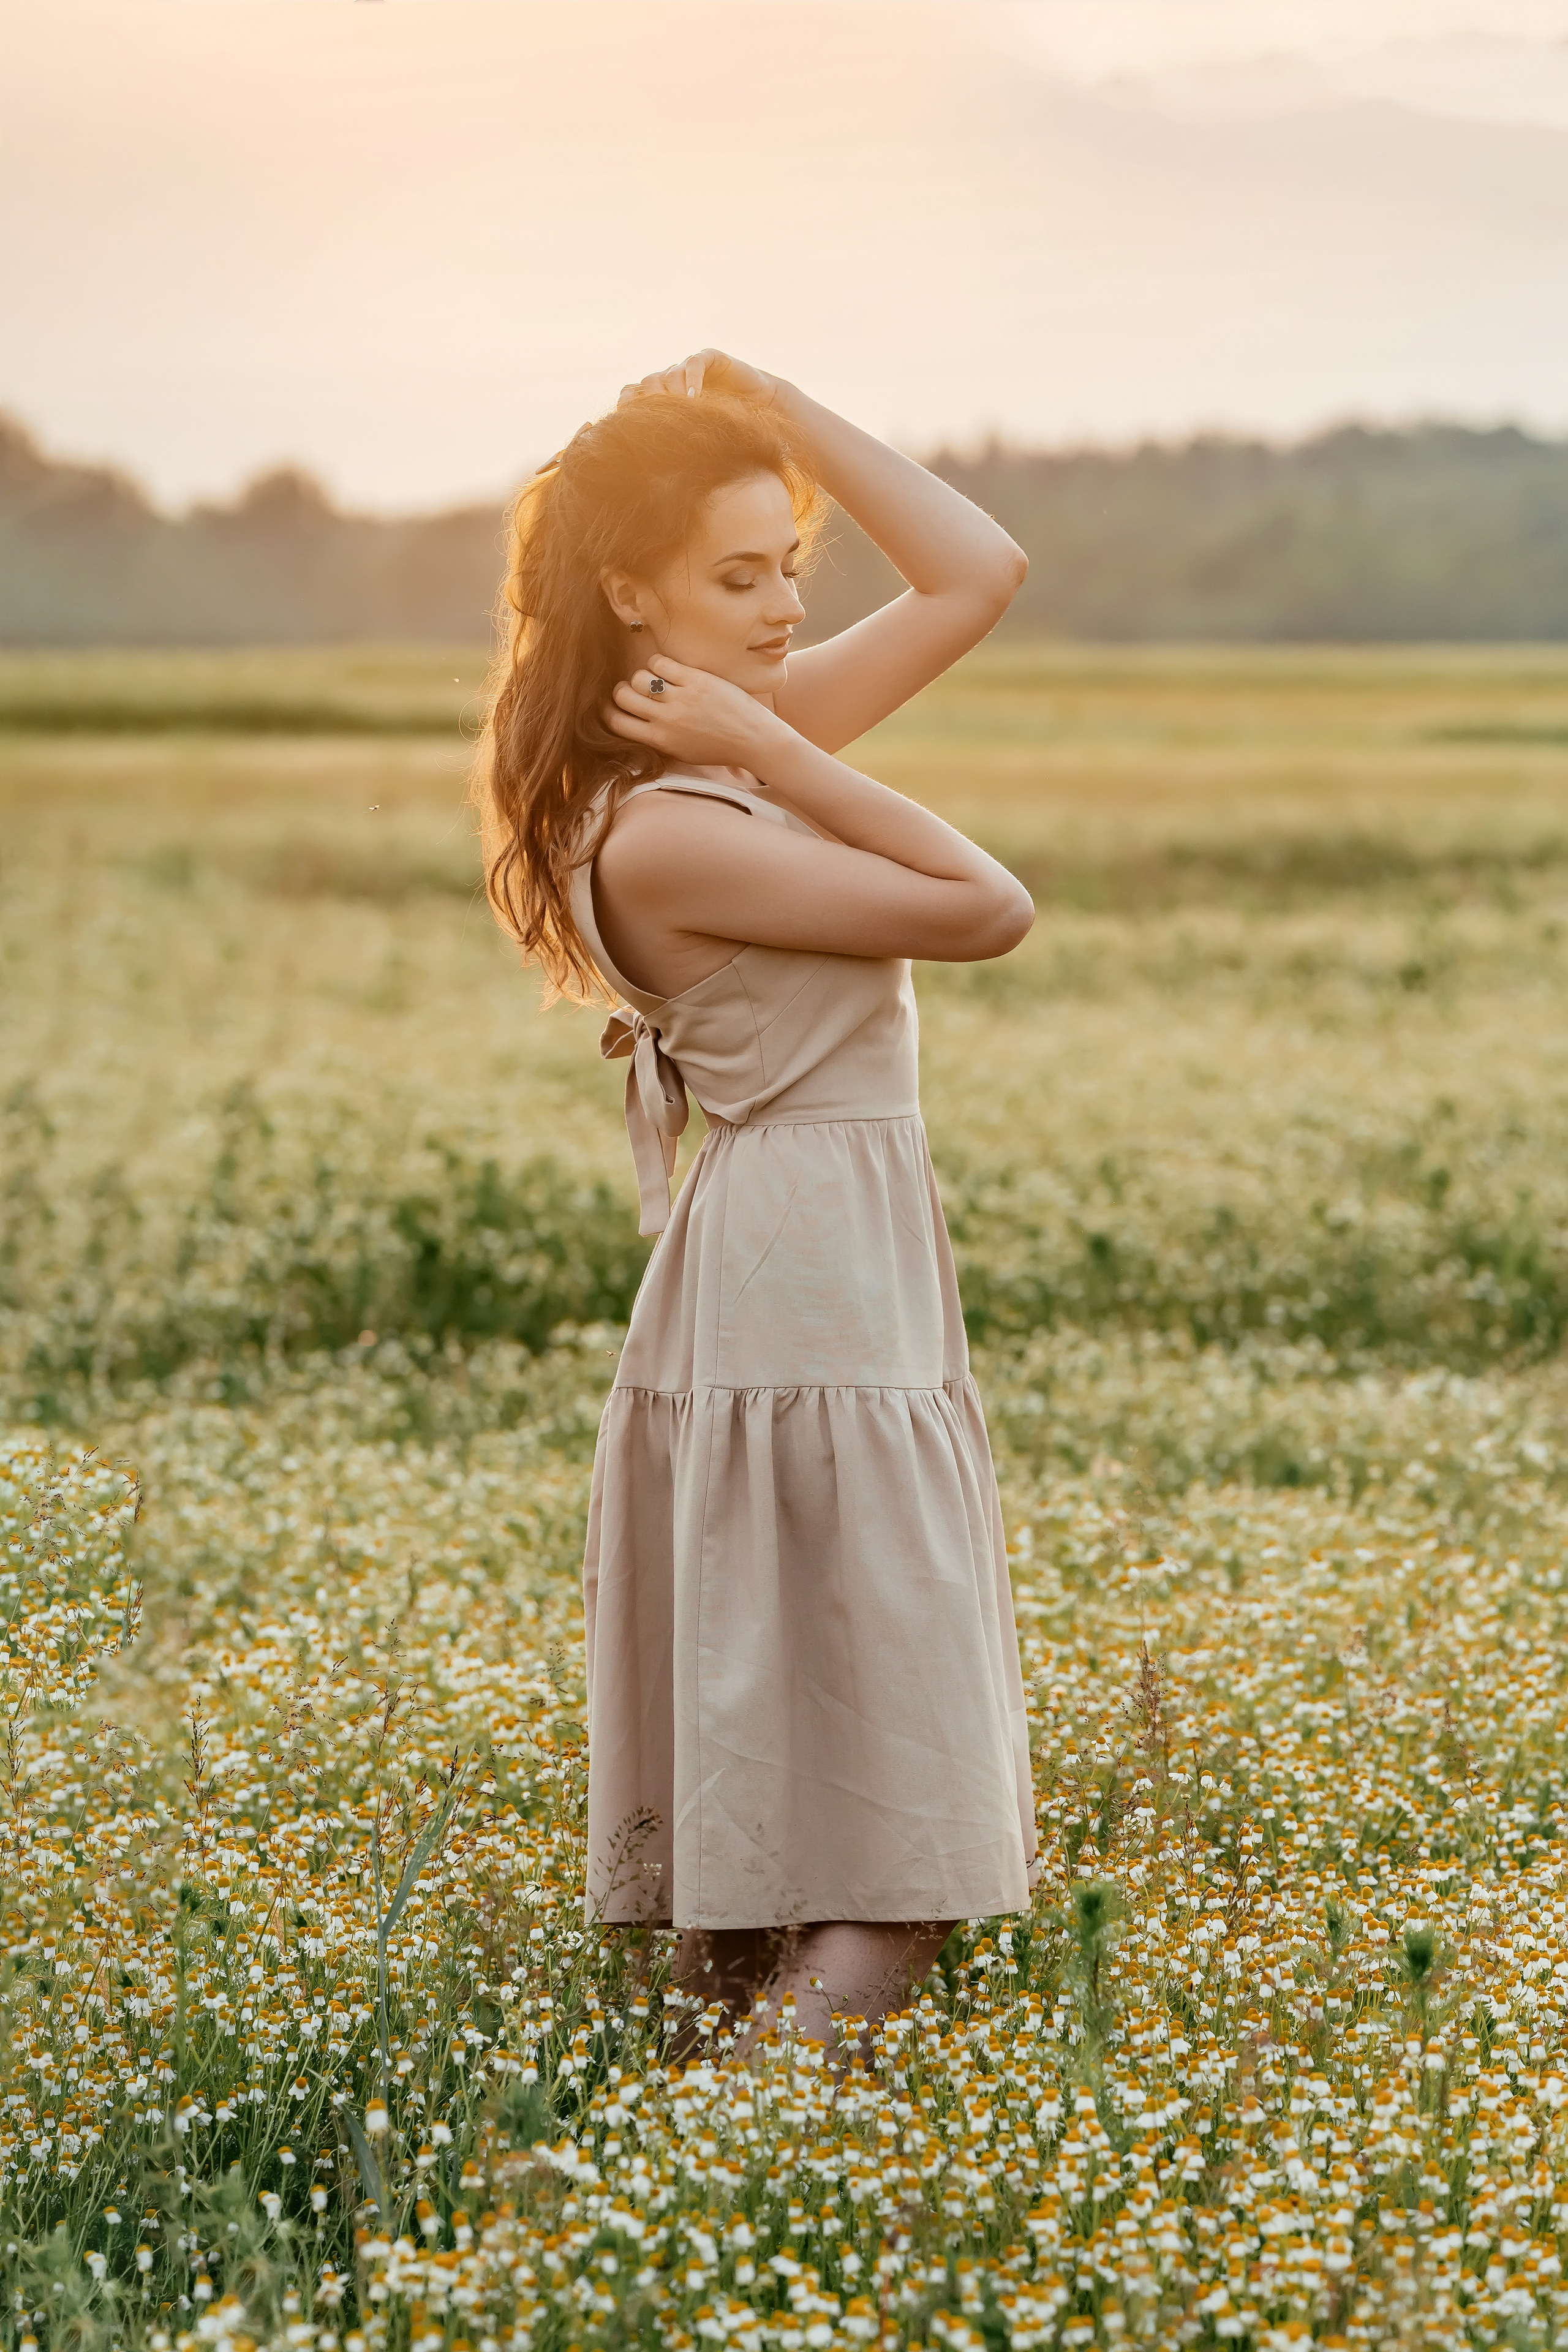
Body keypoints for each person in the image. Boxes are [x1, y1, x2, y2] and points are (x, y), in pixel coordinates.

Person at [476, 349, 1038, 2061]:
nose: (788, 604)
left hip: (826, 1260)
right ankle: (721, 2184)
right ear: (629, 592)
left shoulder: (721, 753)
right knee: (898, 1852)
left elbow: (978, 572)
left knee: (804, 1858)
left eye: (789, 559)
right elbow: (985, 904)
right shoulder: (664, 818)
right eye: (740, 577)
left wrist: (780, 415)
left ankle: (699, 2166)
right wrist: (757, 741)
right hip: (804, 1281)